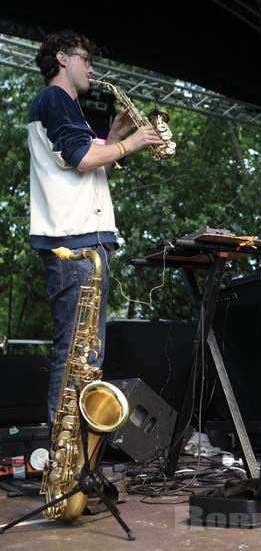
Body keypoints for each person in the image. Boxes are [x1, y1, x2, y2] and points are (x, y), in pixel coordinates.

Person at [28, 29, 162, 426]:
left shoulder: (66, 107)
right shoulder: (56, 98)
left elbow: (89, 163)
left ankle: (74, 461)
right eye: (86, 59)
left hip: (83, 243)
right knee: (76, 355)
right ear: (63, 58)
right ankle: (64, 463)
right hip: (75, 245)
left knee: (85, 357)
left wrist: (116, 137)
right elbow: (83, 158)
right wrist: (133, 142)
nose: (91, 68)